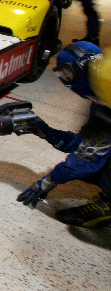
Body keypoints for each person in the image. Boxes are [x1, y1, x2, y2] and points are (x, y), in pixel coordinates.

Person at [14, 42, 111, 228]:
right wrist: (44, 131)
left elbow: (86, 160)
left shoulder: (106, 110)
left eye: (66, 74)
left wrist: (47, 182)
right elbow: (83, 145)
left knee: (98, 167)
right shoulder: (105, 95)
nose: (66, 81)